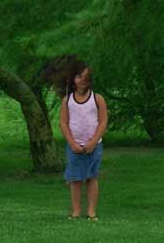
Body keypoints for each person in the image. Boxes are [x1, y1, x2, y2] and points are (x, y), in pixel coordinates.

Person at [58, 59, 108, 221]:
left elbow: (103, 121)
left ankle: (91, 212)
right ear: (73, 79)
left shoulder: (97, 99)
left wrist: (93, 142)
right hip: (74, 146)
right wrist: (72, 143)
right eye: (79, 77)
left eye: (86, 77)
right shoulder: (67, 100)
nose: (82, 81)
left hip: (94, 146)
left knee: (91, 178)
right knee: (75, 179)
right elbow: (63, 123)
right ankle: (76, 211)